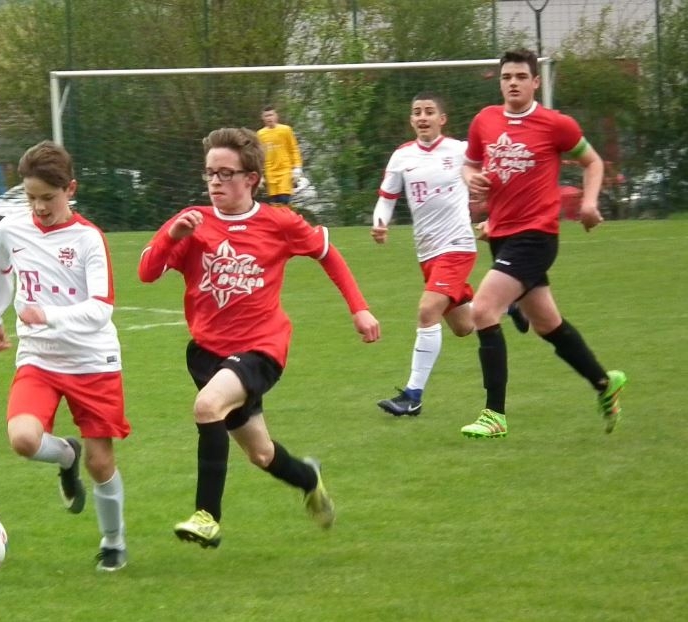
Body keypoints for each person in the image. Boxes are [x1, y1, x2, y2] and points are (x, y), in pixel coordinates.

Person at [138, 127, 380, 548]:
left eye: (225, 173)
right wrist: (171, 236)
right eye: (210, 173)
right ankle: (308, 478)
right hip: (207, 354)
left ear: (251, 178)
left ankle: (206, 517)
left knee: (207, 406)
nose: (215, 182)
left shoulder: (279, 222)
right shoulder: (192, 221)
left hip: (261, 349)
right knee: (261, 454)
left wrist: (359, 308)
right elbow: (146, 273)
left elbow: (327, 253)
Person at [0, 140, 131, 571]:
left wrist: (48, 315)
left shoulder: (88, 239)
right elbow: (0, 267)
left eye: (48, 197)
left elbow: (101, 309)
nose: (39, 207)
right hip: (39, 358)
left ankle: (113, 540)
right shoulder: (11, 229)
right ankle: (66, 455)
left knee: (101, 462)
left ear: (70, 189)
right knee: (23, 439)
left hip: (92, 360)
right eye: (31, 198)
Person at [460, 48, 626, 438]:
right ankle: (605, 383)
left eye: (521, 76)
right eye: (507, 77)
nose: (513, 83)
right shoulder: (485, 120)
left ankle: (494, 415)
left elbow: (593, 161)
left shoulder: (555, 124)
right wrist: (471, 178)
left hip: (536, 237)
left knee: (482, 310)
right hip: (500, 235)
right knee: (547, 323)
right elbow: (469, 164)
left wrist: (589, 203)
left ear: (536, 82)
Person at [370, 92, 477, 417]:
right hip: (427, 251)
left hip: (457, 245)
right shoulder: (402, 156)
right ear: (411, 119)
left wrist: (495, 218)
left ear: (442, 119)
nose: (422, 117)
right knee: (464, 326)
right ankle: (507, 303)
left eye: (429, 111)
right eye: (417, 112)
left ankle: (412, 396)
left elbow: (490, 182)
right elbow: (387, 198)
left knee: (427, 311)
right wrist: (380, 222)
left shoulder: (460, 151)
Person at [257, 105, 303, 206]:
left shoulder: (286, 130)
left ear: (276, 116)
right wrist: (260, 174)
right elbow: (259, 156)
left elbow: (294, 149)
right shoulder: (260, 134)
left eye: (271, 115)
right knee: (274, 203)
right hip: (270, 172)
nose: (269, 118)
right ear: (263, 118)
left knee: (284, 199)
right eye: (266, 116)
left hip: (285, 170)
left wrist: (297, 167)